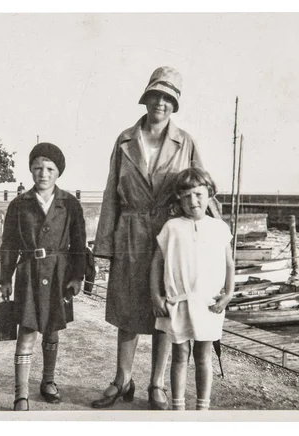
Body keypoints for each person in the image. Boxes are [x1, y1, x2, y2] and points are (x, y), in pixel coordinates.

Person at [91, 66, 221, 410]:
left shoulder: (186, 141)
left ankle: (157, 384)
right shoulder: (124, 140)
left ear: (174, 104)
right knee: (126, 311)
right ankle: (122, 380)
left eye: (168, 98)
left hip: (171, 238)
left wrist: (219, 240)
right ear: (146, 98)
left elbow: (202, 187)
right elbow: (109, 195)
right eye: (156, 96)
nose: (160, 103)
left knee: (166, 310)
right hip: (130, 233)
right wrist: (102, 248)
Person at [0, 142, 86, 411]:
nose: (43, 174)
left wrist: (77, 276)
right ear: (31, 170)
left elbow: (79, 244)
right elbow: (8, 243)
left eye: (49, 168)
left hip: (59, 275)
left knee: (51, 330)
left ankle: (48, 381)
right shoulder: (19, 204)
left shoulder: (70, 204)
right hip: (28, 274)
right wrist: (5, 278)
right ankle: (21, 394)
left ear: (58, 172)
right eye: (37, 168)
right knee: (27, 332)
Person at [150, 166, 234, 411]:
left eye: (198, 194)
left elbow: (229, 263)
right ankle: (178, 408)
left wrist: (228, 294)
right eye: (186, 196)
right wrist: (156, 297)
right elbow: (157, 263)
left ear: (209, 194)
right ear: (179, 198)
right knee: (179, 355)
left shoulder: (219, 228)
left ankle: (202, 409)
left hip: (209, 304)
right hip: (178, 302)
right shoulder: (172, 227)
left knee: (203, 357)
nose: (193, 201)